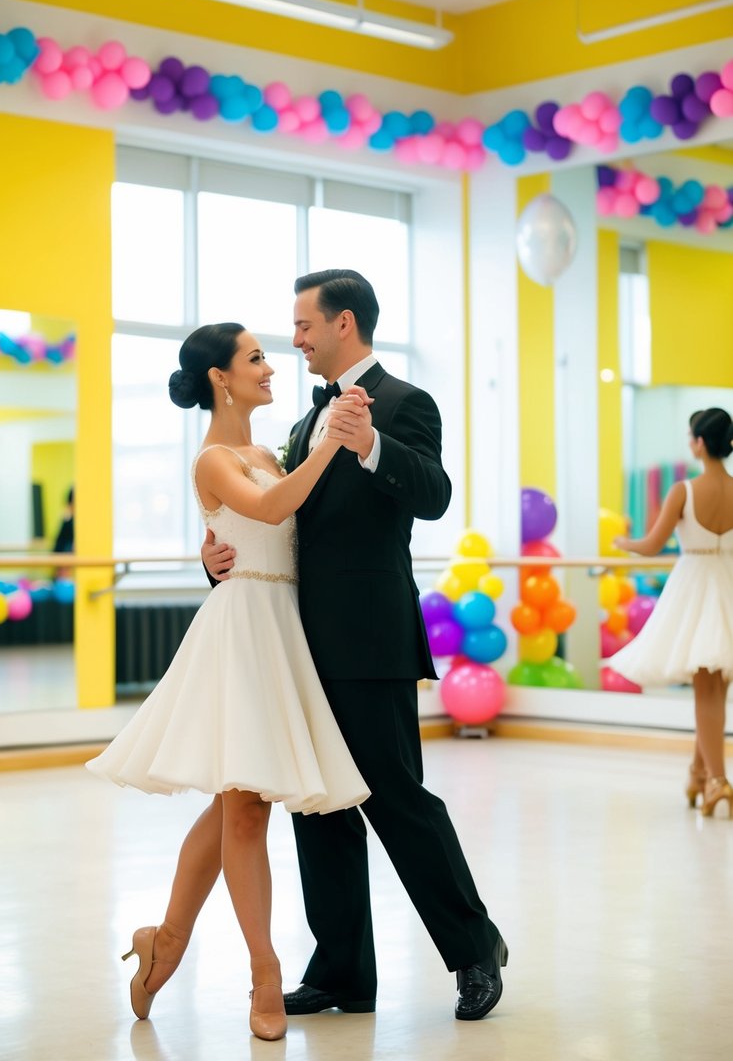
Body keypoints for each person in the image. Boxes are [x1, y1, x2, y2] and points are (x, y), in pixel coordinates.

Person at [203, 270, 506, 1022]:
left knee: (396, 800)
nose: (295, 340)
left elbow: (432, 495)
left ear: (343, 323)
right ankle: (342, 971)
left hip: (370, 639)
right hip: (295, 645)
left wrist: (369, 443)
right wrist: (212, 564)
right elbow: (269, 521)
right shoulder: (300, 426)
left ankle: (475, 949)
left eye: (304, 325)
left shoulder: (405, 403)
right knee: (317, 808)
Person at [86, 323, 369, 1041]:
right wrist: (333, 443)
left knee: (232, 808)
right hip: (239, 632)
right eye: (254, 358)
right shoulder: (214, 457)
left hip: (281, 630)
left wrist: (209, 548)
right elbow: (273, 510)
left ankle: (165, 942)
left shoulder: (268, 453)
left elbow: (266, 528)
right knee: (245, 810)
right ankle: (264, 974)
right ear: (220, 377)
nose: (270, 367)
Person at [609, 406, 733, 818]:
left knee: (705, 688)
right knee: (718, 686)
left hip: (695, 585)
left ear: (699, 443)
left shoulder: (684, 490)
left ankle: (718, 782)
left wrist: (622, 543)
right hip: (727, 582)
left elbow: (651, 544)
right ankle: (700, 772)